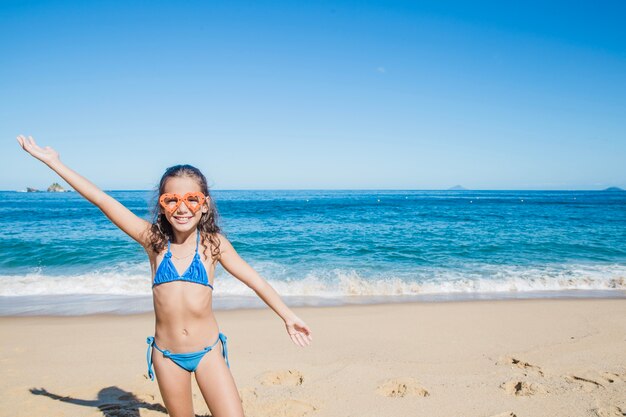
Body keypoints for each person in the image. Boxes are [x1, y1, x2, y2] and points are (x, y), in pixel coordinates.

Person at [16, 135, 313, 417]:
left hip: (209, 352)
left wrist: (287, 316)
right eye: (172, 200)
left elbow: (255, 280)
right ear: (161, 204)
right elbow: (103, 201)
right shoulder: (153, 241)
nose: (182, 208)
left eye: (192, 199)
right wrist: (53, 162)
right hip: (167, 357)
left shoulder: (213, 245)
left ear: (205, 204)